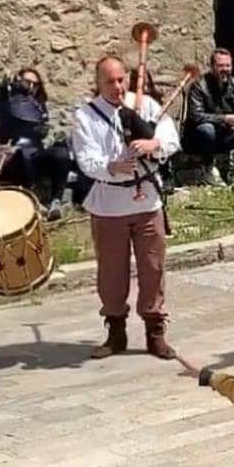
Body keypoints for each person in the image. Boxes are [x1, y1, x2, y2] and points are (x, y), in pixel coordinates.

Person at [72, 56, 181, 361]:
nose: (118, 87)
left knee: (153, 267)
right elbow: (86, 159)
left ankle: (155, 332)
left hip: (147, 201)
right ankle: (115, 331)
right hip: (109, 205)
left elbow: (171, 138)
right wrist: (113, 167)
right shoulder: (86, 116)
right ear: (98, 82)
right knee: (111, 272)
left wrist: (154, 144)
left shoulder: (144, 105)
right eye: (110, 81)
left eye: (121, 79)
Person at [0, 68, 71, 221]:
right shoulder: (8, 104)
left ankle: (55, 202)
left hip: (35, 155)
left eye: (36, 84)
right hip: (12, 160)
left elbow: (42, 136)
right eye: (27, 83)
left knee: (61, 152)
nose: (31, 87)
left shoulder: (38, 108)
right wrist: (5, 88)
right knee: (21, 154)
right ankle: (32, 201)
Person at [182, 48, 234, 187]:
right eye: (221, 66)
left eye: (228, 66)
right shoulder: (199, 86)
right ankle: (208, 169)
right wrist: (225, 119)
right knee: (207, 129)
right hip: (200, 138)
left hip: (227, 134)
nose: (225, 69)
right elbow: (195, 116)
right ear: (212, 67)